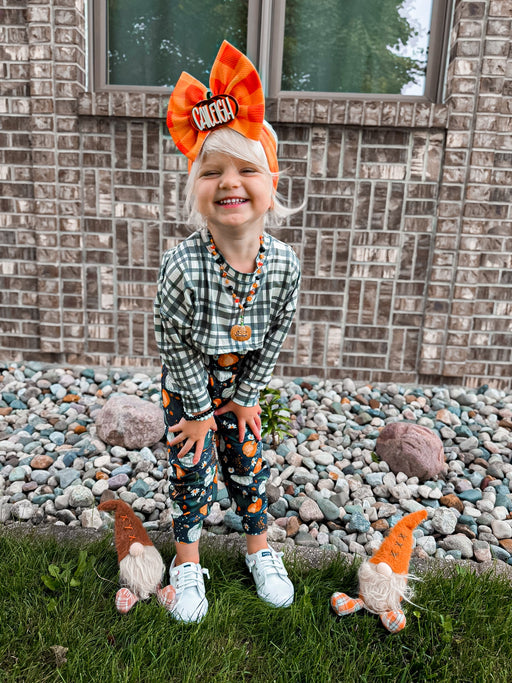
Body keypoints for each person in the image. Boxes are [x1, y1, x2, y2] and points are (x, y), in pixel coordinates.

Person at [154, 41, 301, 623]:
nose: (228, 182)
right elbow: (174, 340)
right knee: (192, 466)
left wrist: (246, 395)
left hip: (241, 383)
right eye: (211, 171)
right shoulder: (182, 265)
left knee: (248, 460)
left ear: (272, 182)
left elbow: (276, 333)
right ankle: (187, 560)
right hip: (188, 382)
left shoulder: (284, 265)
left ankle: (258, 548)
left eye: (246, 169)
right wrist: (196, 411)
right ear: (195, 188)